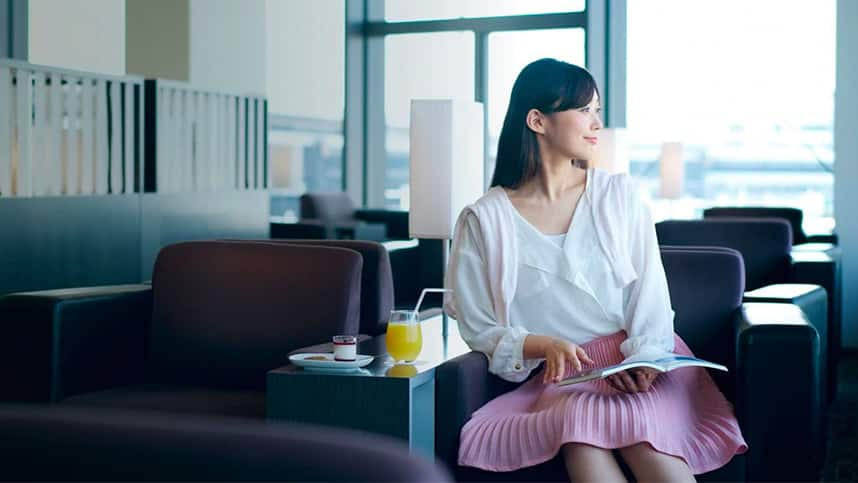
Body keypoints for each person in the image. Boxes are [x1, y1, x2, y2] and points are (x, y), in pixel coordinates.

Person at [444, 58, 747, 482]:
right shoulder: (484, 219)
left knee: (646, 443)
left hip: (638, 365)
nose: (596, 123)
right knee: (583, 442)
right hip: (564, 379)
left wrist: (645, 360)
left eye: (597, 111)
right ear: (537, 120)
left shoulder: (619, 196)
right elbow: (479, 326)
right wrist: (541, 343)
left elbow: (650, 295)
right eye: (584, 110)